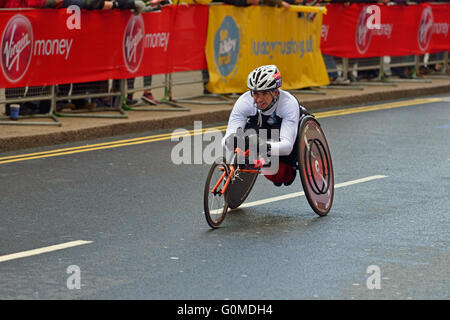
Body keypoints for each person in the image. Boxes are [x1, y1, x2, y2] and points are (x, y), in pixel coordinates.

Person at [222, 65, 310, 187]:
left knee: (284, 176)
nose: (259, 99)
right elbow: (226, 139)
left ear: (275, 92)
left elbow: (287, 146)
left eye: (264, 94)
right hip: (261, 131)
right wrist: (231, 141)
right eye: (256, 94)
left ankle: (285, 169)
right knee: (270, 169)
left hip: (284, 135)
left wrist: (263, 146)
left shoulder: (288, 104)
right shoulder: (244, 102)